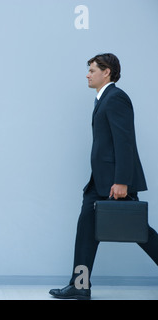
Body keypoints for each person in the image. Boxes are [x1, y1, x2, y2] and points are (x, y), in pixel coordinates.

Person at [49, 53, 158, 300]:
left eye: (92, 70)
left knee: (140, 232)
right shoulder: (103, 99)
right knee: (86, 229)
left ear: (106, 71)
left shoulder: (116, 98)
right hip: (100, 182)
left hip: (114, 183)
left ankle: (79, 284)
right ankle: (80, 285)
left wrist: (121, 181)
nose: (87, 74)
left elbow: (125, 142)